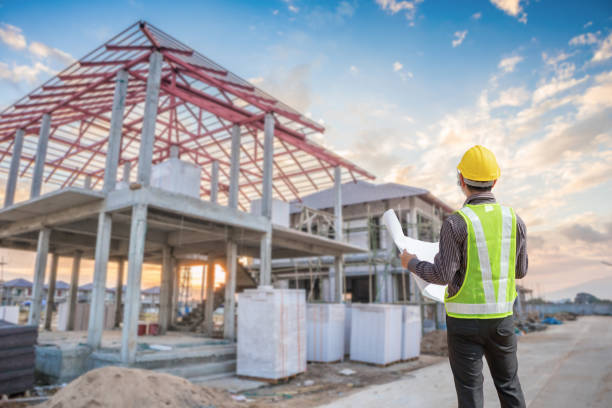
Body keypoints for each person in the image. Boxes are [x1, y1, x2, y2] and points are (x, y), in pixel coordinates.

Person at [401, 145, 527, 408]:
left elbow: (442, 274)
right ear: (495, 180)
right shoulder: (514, 220)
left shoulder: (456, 222)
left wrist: (411, 262)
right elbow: (520, 270)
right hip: (502, 320)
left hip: (464, 324)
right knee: (509, 386)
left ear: (461, 180)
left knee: (470, 394)